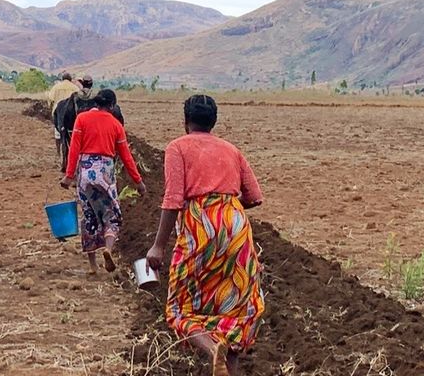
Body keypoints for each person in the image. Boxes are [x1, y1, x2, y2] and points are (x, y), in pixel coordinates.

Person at [145, 95, 265, 376]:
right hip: (236, 226)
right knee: (235, 308)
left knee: (178, 309)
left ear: (186, 122)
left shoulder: (178, 148)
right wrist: (226, 210)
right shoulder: (231, 149)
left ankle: (212, 349)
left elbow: (173, 199)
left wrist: (158, 247)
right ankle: (225, 363)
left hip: (200, 227)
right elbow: (255, 197)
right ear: (214, 121)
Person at [59, 89, 146, 275]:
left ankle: (92, 266)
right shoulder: (116, 125)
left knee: (89, 216)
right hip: (105, 172)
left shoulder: (81, 119)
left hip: (85, 172)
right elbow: (126, 157)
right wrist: (138, 182)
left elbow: (74, 148)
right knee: (112, 215)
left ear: (96, 103)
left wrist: (68, 175)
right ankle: (108, 248)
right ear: (112, 106)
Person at [48, 73, 79, 164]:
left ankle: (59, 153)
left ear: (62, 79)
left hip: (59, 112)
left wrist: (51, 108)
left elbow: (50, 98)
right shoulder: (75, 88)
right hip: (72, 114)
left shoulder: (56, 87)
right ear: (70, 79)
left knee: (58, 133)